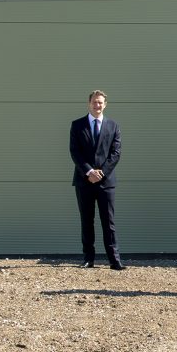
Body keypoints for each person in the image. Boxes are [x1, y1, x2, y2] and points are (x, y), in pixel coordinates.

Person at [69, 90, 125, 270]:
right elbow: (75, 152)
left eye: (100, 102)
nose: (97, 105)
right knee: (87, 220)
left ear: (105, 104)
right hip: (83, 180)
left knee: (108, 221)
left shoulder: (113, 125)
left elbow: (115, 154)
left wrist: (101, 173)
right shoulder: (77, 125)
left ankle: (114, 260)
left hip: (106, 182)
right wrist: (89, 171)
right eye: (94, 102)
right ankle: (88, 259)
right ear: (89, 103)